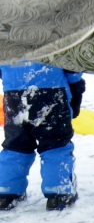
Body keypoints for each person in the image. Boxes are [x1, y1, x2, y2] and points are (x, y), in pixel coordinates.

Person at [0, 62, 84, 211]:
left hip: (14, 94)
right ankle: (59, 193)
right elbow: (71, 61)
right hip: (52, 91)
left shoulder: (6, 38)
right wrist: (76, 89)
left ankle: (7, 191)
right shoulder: (53, 37)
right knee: (55, 144)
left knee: (15, 145)